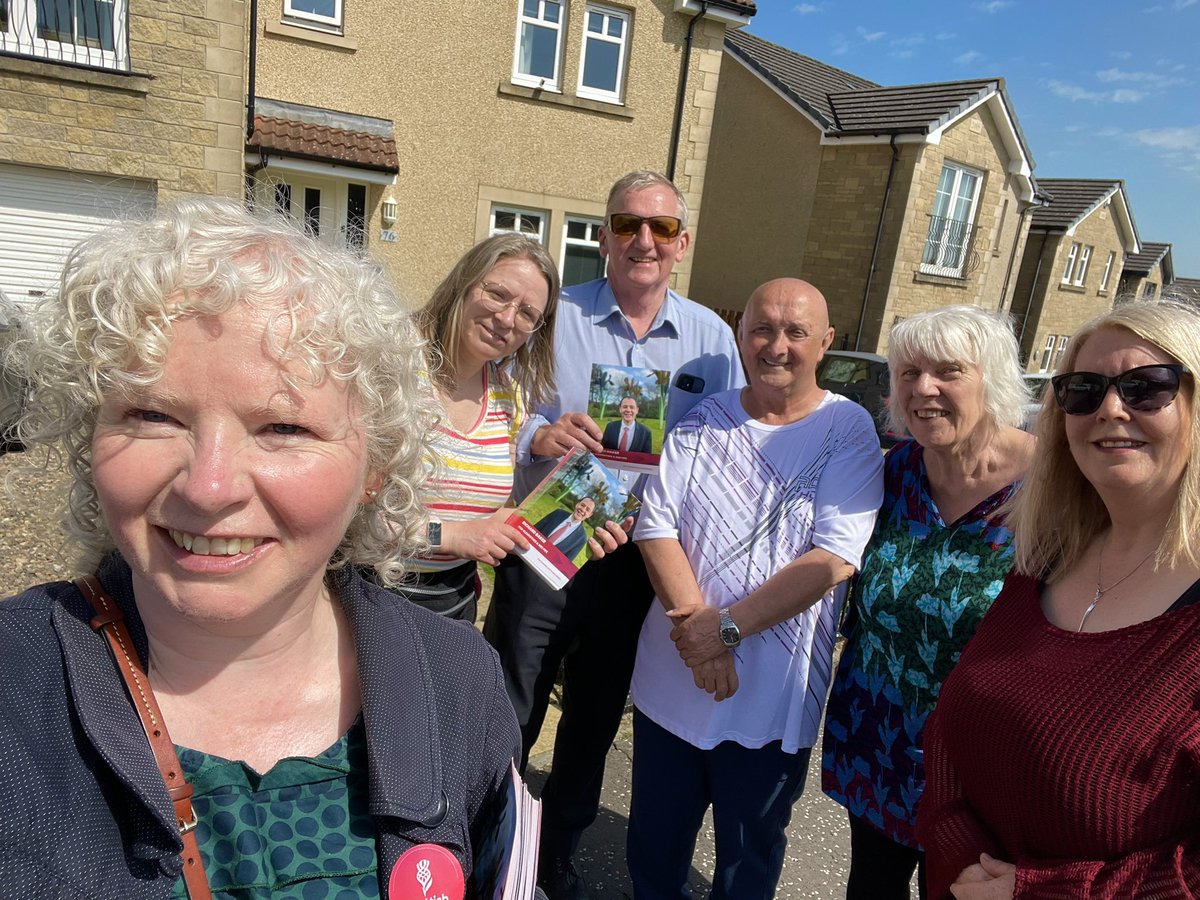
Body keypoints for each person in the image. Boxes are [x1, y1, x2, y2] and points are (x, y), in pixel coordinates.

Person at [0, 197, 521, 898]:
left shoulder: (459, 683)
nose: (210, 486)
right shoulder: (15, 693)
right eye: (152, 415)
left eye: (282, 428)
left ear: (375, 467)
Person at [484, 170, 745, 900]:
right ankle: (492, 836)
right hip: (551, 536)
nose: (643, 241)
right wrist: (541, 434)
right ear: (604, 234)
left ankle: (558, 848)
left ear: (682, 242)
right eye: (627, 224)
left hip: (640, 554)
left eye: (661, 228)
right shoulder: (554, 315)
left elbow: (726, 443)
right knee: (513, 696)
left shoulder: (711, 340)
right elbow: (501, 406)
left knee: (596, 714)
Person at [916, 300, 1200, 899]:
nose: (1111, 409)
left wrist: (1039, 890)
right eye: (1084, 390)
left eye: (1146, 388)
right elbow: (952, 726)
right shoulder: (1043, 559)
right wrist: (959, 851)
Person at [626, 278, 884, 899]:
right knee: (654, 851)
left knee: (749, 857)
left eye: (796, 332)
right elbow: (656, 526)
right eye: (762, 329)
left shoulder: (847, 431)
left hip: (773, 694)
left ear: (824, 343)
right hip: (676, 679)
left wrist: (727, 630)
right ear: (740, 335)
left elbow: (833, 558)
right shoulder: (701, 421)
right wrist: (704, 636)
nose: (777, 345)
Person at [820, 306, 1036, 899]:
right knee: (871, 887)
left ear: (991, 379)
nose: (924, 388)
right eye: (909, 372)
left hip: (980, 767)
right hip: (878, 738)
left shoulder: (1053, 490)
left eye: (948, 371)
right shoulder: (892, 472)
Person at [404, 233, 560, 622]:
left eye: (527, 314)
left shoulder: (508, 398)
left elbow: (493, 511)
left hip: (452, 604)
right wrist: (453, 536)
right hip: (370, 594)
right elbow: (352, 514)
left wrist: (582, 521)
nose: (507, 319)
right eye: (498, 294)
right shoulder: (394, 364)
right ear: (465, 282)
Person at [533, 497, 595, 562]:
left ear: (589, 515)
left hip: (546, 563)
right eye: (582, 505)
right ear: (577, 504)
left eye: (587, 509)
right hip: (531, 547)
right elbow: (535, 528)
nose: (583, 510)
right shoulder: (558, 513)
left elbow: (566, 562)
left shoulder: (582, 538)